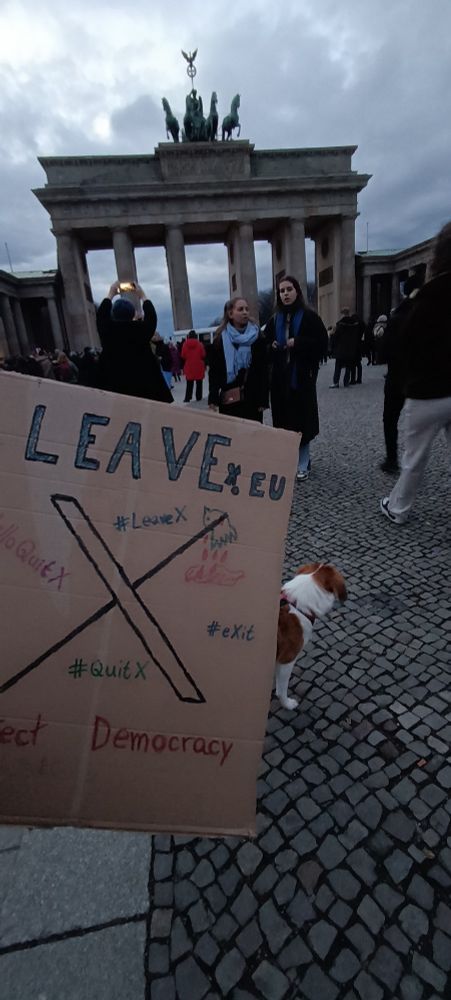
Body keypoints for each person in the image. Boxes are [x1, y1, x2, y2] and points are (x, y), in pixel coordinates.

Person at [380, 220, 451, 524]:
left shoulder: (424, 300)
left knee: (415, 458)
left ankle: (397, 508)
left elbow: (402, 344)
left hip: (427, 391)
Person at [265, 275, 328, 480]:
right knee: (284, 421)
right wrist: (272, 346)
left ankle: (303, 461)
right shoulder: (274, 320)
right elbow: (265, 346)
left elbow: (322, 345)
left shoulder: (310, 317)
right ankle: (288, 460)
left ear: (297, 292)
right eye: (282, 291)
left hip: (301, 378)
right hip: (280, 380)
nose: (285, 294)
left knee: (302, 420)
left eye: (289, 289)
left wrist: (298, 342)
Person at [96, 281, 173, 403]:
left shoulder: (108, 330)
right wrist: (143, 296)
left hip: (115, 384)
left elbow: (101, 315)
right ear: (132, 313)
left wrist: (110, 294)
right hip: (144, 384)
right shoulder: (141, 330)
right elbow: (152, 317)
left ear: (114, 314)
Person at [378, 272, 423, 473]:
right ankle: (415, 462)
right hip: (422, 378)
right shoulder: (429, 313)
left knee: (390, 420)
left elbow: (384, 352)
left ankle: (392, 459)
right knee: (421, 426)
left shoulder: (398, 316)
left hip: (397, 377)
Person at [208, 297, 268, 421]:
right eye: (240, 309)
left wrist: (263, 399)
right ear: (230, 314)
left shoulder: (258, 337)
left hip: (253, 398)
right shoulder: (219, 340)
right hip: (230, 399)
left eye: (247, 309)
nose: (245, 312)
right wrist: (213, 398)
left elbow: (263, 370)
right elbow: (214, 372)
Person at [329, 307, 361, 387]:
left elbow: (336, 336)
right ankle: (346, 382)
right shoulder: (354, 324)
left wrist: (332, 345)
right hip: (350, 348)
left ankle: (336, 382)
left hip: (341, 348)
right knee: (348, 367)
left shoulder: (340, 324)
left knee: (338, 366)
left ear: (343, 314)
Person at [181, 330, 206, 402]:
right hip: (198, 366)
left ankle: (187, 398)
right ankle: (198, 397)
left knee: (189, 383)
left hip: (189, 366)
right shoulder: (200, 344)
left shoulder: (185, 344)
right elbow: (203, 355)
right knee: (199, 383)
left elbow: (183, 356)